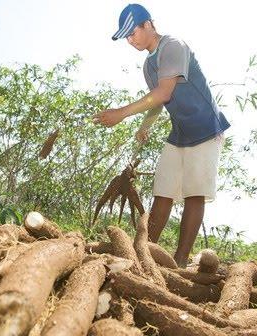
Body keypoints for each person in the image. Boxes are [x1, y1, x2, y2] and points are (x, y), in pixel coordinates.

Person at [93, 4, 230, 267]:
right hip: (179, 132)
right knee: (163, 191)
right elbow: (157, 101)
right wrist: (146, 124)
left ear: (148, 25)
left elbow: (164, 92)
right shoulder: (148, 66)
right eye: (126, 38)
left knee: (194, 193)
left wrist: (122, 112)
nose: (130, 41)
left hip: (205, 128)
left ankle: (179, 262)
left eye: (132, 33)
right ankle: (144, 253)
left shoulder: (173, 46)